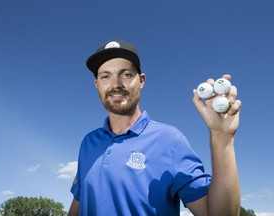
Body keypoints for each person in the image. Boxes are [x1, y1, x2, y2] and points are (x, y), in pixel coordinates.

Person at [68, 40, 242, 216]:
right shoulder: (88, 142)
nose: (115, 84)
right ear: (97, 84)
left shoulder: (170, 140)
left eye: (126, 74)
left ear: (141, 80)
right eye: (105, 76)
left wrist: (222, 138)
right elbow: (79, 202)